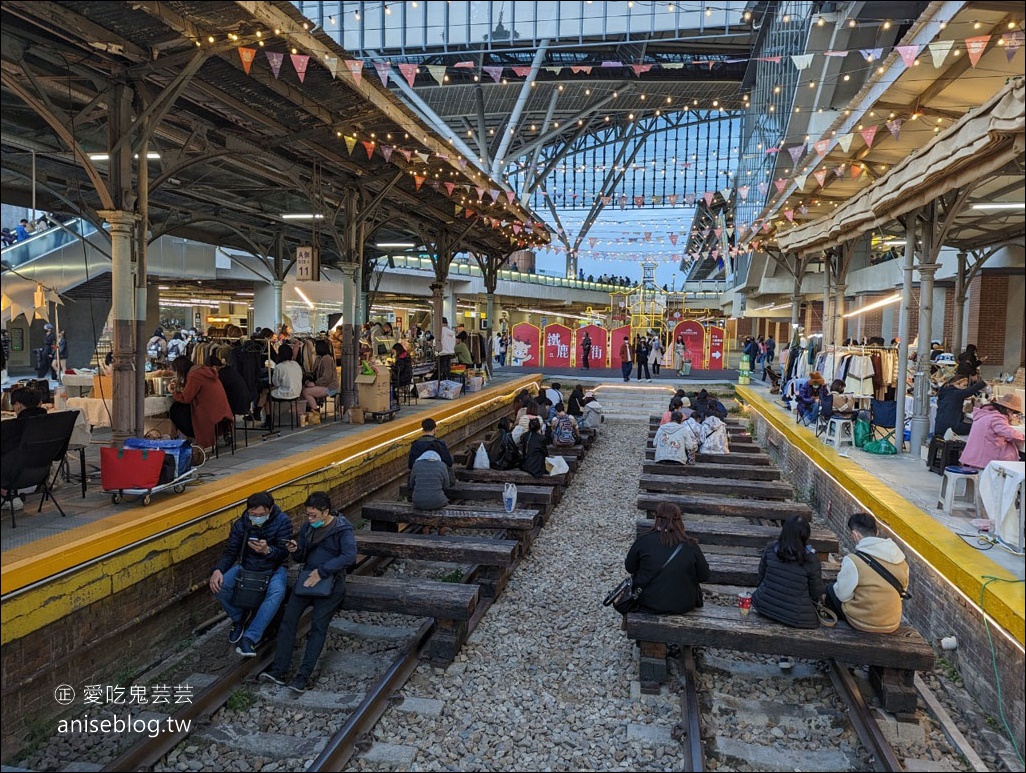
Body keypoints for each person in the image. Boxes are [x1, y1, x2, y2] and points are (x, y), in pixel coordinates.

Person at [262, 492, 357, 693]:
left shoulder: (342, 529)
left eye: (314, 515)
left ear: (326, 512)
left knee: (318, 627)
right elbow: (300, 557)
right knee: (288, 621)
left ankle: (302, 677)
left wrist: (322, 571)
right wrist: (295, 549)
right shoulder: (308, 528)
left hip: (330, 583)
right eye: (308, 515)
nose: (310, 519)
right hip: (307, 581)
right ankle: (279, 671)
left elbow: (349, 556)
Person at [209, 492, 292, 657]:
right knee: (220, 585)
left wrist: (268, 550)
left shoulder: (283, 521)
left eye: (261, 515)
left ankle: (250, 637)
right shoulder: (241, 524)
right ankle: (238, 618)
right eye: (253, 514)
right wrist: (218, 570)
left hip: (274, 567)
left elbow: (284, 553)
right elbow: (230, 552)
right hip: (247, 566)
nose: (257, 518)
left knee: (277, 592)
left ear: (270, 510)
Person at [826, 512, 908, 633]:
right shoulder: (901, 560)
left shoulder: (854, 560)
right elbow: (902, 593)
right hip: (892, 623)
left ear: (855, 534)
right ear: (877, 532)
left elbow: (842, 595)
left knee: (830, 590)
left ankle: (836, 632)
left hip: (863, 622)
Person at [625, 502, 709, 614]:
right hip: (683, 604)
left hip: (648, 602)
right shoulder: (690, 545)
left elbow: (630, 567)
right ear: (679, 520)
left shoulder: (643, 541)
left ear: (656, 518)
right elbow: (704, 576)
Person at [751, 516, 825, 629]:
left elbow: (760, 577)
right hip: (797, 617)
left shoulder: (771, 549)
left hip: (764, 605)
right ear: (805, 535)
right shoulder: (812, 560)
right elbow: (815, 592)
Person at [171, 357, 234, 449]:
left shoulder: (195, 375)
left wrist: (174, 393)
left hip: (209, 412)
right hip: (222, 409)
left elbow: (186, 398)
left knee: (176, 410)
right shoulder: (204, 371)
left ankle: (180, 437)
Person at [959, 393, 1024, 469]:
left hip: (974, 457)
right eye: (1013, 413)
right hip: (984, 460)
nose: (1013, 416)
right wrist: (1022, 436)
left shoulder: (985, 414)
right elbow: (1011, 435)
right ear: (1008, 410)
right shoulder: (997, 418)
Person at [257, 343, 303, 431]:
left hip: (285, 392)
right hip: (296, 392)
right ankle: (258, 411)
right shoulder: (296, 364)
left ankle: (267, 419)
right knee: (266, 392)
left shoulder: (279, 366)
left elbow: (276, 383)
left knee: (266, 394)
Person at [933, 375, 987, 439]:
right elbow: (968, 391)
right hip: (951, 427)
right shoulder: (956, 393)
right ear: (957, 384)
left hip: (939, 426)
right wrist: (983, 383)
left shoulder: (944, 392)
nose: (965, 388)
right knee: (980, 427)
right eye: (964, 385)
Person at [300, 339, 339, 414]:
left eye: (314, 346)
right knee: (304, 389)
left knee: (306, 392)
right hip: (324, 385)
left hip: (330, 387)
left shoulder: (327, 359)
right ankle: (310, 410)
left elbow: (326, 377)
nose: (313, 348)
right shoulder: (319, 358)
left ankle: (315, 412)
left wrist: (315, 384)